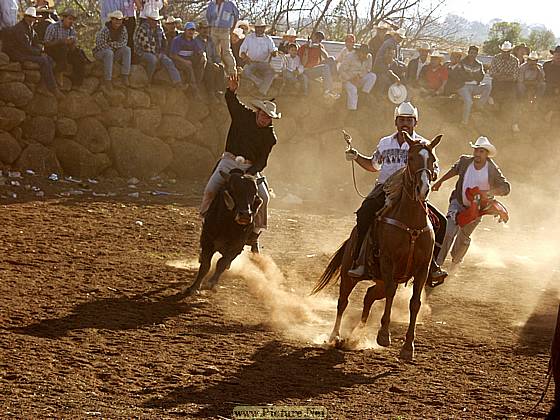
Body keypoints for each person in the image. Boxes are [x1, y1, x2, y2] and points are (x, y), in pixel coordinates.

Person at [344, 102, 448, 283]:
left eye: (409, 120)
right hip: (384, 188)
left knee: (442, 223)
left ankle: (431, 265)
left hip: (411, 193)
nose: (405, 123)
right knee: (364, 213)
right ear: (396, 122)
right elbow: (373, 165)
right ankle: (359, 261)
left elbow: (435, 168)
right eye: (401, 120)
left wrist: (428, 176)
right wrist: (356, 156)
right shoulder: (385, 143)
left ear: (415, 122)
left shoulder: (424, 144)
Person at [200, 74, 279, 252]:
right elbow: (231, 102)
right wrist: (232, 90)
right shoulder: (243, 115)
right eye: (264, 115)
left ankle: (255, 234)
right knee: (210, 190)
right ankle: (206, 220)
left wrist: (249, 173)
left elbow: (262, 162)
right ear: (258, 112)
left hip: (250, 169)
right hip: (228, 161)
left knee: (264, 198)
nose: (265, 119)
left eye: (268, 118)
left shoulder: (270, 137)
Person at [432, 136, 510, 268]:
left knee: (463, 237)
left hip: (477, 209)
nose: (478, 154)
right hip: (458, 202)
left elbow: (506, 187)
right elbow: (453, 170)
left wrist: (491, 192)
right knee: (448, 231)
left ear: (487, 154)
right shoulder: (465, 161)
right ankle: (437, 264)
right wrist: (440, 182)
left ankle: (455, 262)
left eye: (481, 151)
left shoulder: (492, 169)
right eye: (476, 150)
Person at [3, 7, 63, 97]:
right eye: (31, 18)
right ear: (26, 17)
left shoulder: (30, 28)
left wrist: (41, 49)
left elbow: (36, 42)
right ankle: (53, 89)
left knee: (49, 59)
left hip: (24, 52)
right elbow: (25, 47)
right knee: (43, 60)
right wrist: (39, 52)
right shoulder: (20, 29)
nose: (33, 20)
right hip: (17, 54)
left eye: (34, 18)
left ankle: (43, 85)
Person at [134, 10, 181, 86]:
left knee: (168, 61)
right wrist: (156, 54)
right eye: (153, 20)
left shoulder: (159, 28)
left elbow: (164, 42)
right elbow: (145, 45)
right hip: (142, 52)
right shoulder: (143, 28)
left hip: (157, 52)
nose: (155, 22)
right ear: (149, 20)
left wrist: (161, 52)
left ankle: (177, 81)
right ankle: (148, 80)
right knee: (152, 60)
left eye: (156, 20)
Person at [43, 8, 87, 87]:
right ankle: (59, 71)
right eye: (70, 19)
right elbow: (46, 44)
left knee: (79, 55)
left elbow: (72, 48)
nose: (71, 22)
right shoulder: (53, 27)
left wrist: (72, 44)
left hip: (66, 51)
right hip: (53, 50)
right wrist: (61, 41)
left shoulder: (71, 30)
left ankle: (77, 83)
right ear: (63, 18)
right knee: (62, 48)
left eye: (73, 20)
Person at [93, 10, 131, 91]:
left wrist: (112, 44)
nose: (118, 22)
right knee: (109, 53)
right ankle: (108, 80)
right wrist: (112, 47)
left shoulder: (123, 29)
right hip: (101, 52)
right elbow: (100, 44)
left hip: (113, 51)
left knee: (127, 49)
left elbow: (124, 42)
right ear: (112, 20)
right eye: (116, 19)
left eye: (120, 20)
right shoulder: (105, 29)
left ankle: (125, 74)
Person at [239, 18, 278, 96]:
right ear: (255, 28)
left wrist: (274, 53)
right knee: (245, 72)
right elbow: (242, 51)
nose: (259, 29)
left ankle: (261, 92)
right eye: (258, 27)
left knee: (271, 73)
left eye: (261, 27)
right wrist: (245, 57)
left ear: (264, 28)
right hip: (251, 62)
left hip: (264, 63)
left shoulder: (268, 39)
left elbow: (273, 50)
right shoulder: (249, 37)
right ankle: (261, 84)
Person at [456, 45, 492, 125]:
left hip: (475, 86)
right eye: (471, 53)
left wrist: (470, 75)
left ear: (476, 54)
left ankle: (479, 105)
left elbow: (481, 76)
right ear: (468, 53)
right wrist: (473, 76)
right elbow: (460, 75)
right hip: (463, 86)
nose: (473, 55)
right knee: (468, 101)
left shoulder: (479, 64)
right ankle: (464, 122)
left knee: (488, 86)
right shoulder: (461, 62)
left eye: (475, 53)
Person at [489, 41, 520, 132]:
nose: (505, 53)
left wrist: (501, 76)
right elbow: (492, 72)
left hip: (509, 84)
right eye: (504, 51)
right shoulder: (495, 58)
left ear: (510, 51)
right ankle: (497, 123)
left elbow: (515, 76)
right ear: (501, 51)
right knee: (496, 102)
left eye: (507, 51)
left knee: (513, 103)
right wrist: (504, 76)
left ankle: (514, 123)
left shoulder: (515, 60)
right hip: (497, 83)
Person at [298, 30, 338, 98]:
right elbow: (303, 64)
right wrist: (307, 49)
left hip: (315, 69)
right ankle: (327, 90)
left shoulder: (319, 46)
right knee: (325, 67)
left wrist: (319, 49)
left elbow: (326, 57)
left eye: (320, 40)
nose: (317, 40)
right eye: (317, 38)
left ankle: (335, 79)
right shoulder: (304, 47)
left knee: (331, 59)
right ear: (313, 37)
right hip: (306, 71)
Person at [170, 21, 206, 95]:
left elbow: (199, 51)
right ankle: (194, 88)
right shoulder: (177, 40)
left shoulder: (194, 41)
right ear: (185, 30)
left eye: (193, 30)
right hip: (178, 60)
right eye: (189, 30)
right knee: (188, 65)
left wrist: (202, 56)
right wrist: (184, 61)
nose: (191, 32)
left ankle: (196, 83)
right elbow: (173, 55)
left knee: (202, 62)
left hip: (189, 60)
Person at [206, 0, 238, 75]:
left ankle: (232, 72)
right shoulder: (212, 4)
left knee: (226, 51)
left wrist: (232, 28)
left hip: (225, 29)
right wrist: (210, 27)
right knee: (215, 50)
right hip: (214, 29)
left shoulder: (230, 3)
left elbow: (236, 16)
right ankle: (219, 70)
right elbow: (208, 16)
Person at [339, 44, 376, 110]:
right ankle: (352, 111)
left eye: (366, 53)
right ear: (359, 52)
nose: (365, 55)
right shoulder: (350, 56)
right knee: (353, 90)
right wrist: (350, 78)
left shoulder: (369, 57)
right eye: (363, 53)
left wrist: (359, 76)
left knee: (372, 76)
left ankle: (363, 96)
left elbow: (368, 70)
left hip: (360, 79)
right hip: (348, 80)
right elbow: (341, 70)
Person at [195, 19, 225, 99]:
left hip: (212, 62)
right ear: (199, 30)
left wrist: (217, 62)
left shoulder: (210, 40)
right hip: (201, 63)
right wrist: (212, 63)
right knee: (210, 68)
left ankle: (220, 90)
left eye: (207, 28)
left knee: (221, 67)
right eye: (203, 28)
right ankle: (211, 92)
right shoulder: (196, 41)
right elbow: (200, 55)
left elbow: (215, 54)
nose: (205, 30)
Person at [543, 45, 560, 120]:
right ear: (553, 55)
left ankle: (551, 112)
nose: (558, 57)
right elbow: (543, 77)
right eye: (557, 54)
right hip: (548, 87)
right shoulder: (546, 65)